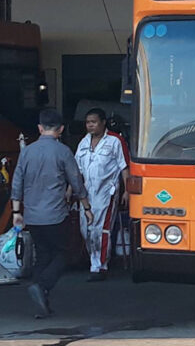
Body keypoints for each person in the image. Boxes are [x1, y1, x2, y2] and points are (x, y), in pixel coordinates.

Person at [10, 108, 93, 318]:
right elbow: (76, 181)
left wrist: (16, 212)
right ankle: (42, 286)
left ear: (39, 128)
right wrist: (87, 207)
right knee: (62, 254)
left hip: (32, 216)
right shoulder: (63, 151)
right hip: (55, 215)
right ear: (61, 129)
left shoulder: (27, 152)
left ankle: (41, 301)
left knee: (43, 255)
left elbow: (17, 182)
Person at [74, 108, 128, 281]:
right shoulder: (83, 142)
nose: (90, 125)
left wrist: (127, 190)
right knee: (86, 229)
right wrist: (70, 189)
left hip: (107, 192)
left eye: (94, 122)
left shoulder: (115, 141)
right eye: (88, 122)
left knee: (101, 229)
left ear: (103, 122)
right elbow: (76, 170)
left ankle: (100, 267)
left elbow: (124, 167)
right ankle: (94, 259)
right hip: (86, 193)